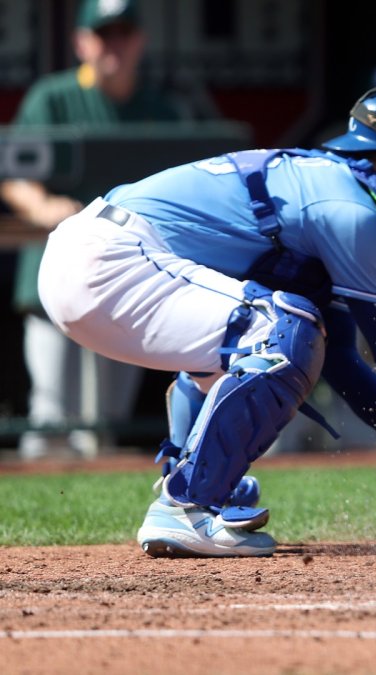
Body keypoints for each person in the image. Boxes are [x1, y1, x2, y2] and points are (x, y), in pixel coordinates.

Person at [36, 86, 376, 558]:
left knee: (272, 337)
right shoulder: (349, 211)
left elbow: (343, 362)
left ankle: (197, 486)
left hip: (95, 261)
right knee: (283, 330)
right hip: (111, 260)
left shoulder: (326, 189)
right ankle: (187, 504)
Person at [0, 0, 185, 460]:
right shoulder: (54, 97)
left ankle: (93, 520)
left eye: (124, 34)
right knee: (52, 414)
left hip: (129, 282)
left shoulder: (159, 109)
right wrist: (42, 204)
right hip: (55, 276)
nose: (114, 46)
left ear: (139, 40)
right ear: (82, 42)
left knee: (106, 423)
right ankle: (38, 526)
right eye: (104, 35)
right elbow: (13, 175)